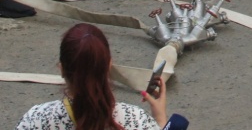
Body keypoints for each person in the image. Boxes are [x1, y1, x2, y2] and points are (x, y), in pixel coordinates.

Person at [15, 23, 167, 130]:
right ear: (108, 66)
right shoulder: (137, 120)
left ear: (62, 69)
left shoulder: (36, 119)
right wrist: (160, 120)